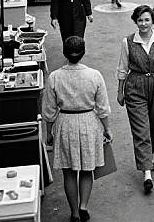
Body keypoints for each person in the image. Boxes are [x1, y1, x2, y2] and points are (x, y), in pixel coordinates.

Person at [43, 36, 111, 222]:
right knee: (87, 169)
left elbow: (49, 110)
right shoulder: (94, 75)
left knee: (69, 172)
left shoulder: (55, 77)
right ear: (83, 53)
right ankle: (83, 207)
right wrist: (107, 129)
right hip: (89, 123)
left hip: (65, 123)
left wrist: (49, 132)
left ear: (65, 53)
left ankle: (73, 213)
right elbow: (103, 108)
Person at [117, 5, 154, 194]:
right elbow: (122, 68)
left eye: (147, 20)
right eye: (140, 20)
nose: (143, 24)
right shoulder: (127, 42)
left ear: (153, 21)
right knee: (141, 129)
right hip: (135, 86)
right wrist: (120, 91)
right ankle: (147, 173)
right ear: (136, 21)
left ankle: (149, 155)